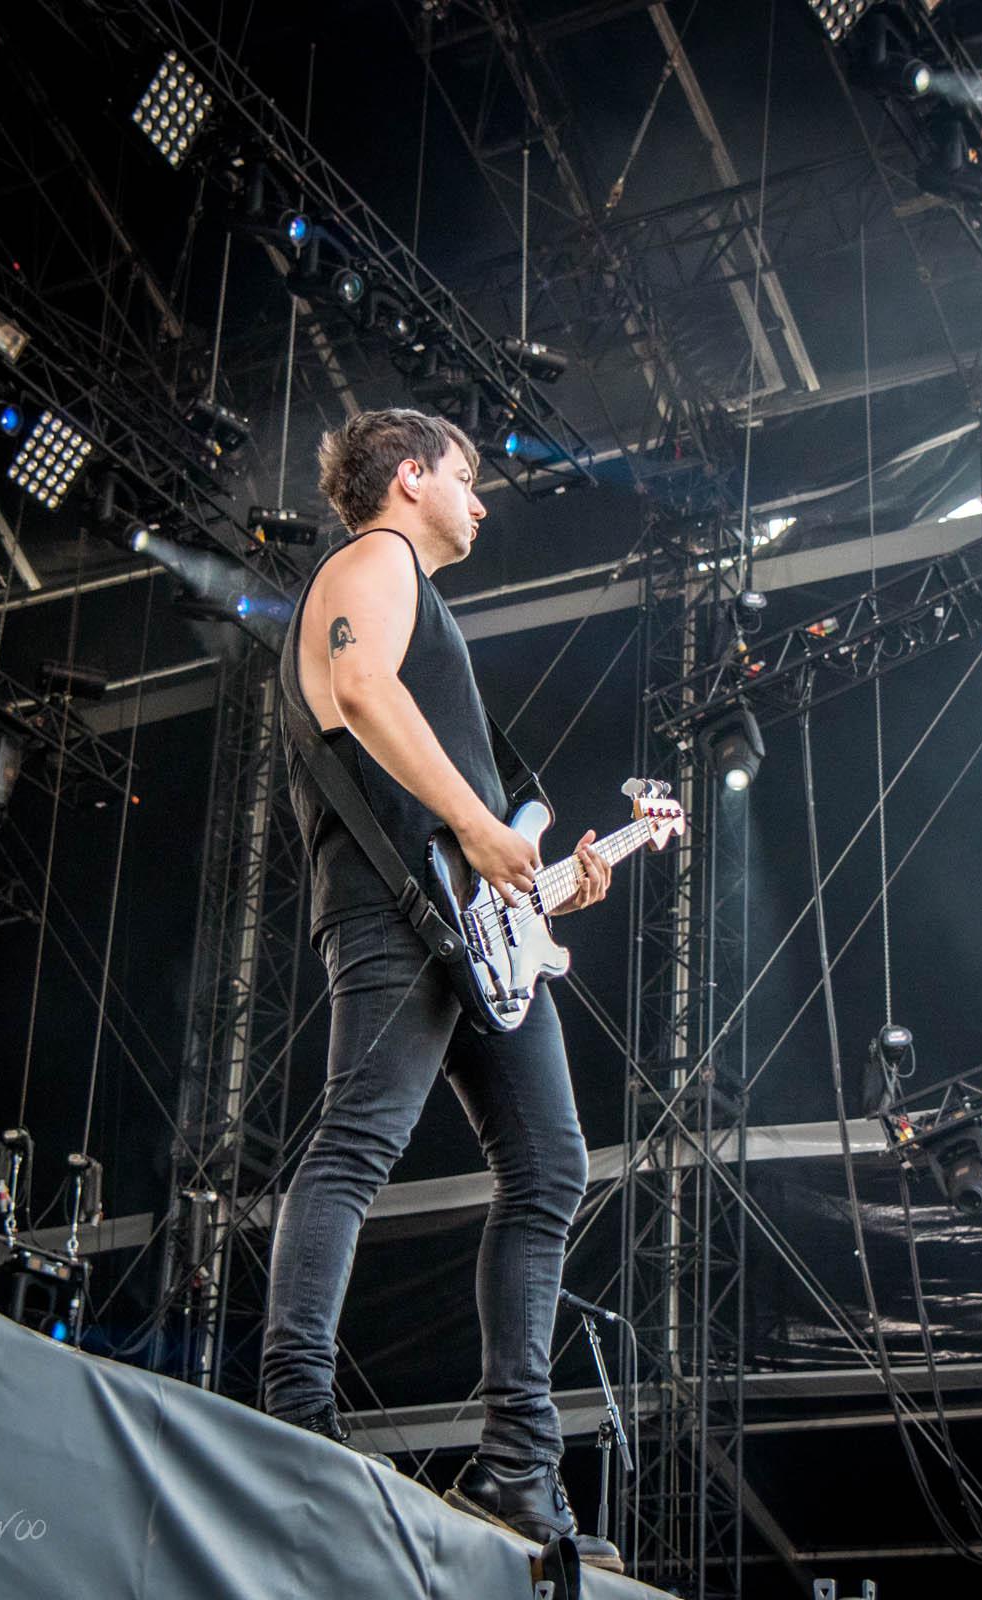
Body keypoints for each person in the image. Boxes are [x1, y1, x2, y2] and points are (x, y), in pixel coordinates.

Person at [263, 408, 621, 1571]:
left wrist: (534, 882)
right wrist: (476, 821)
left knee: (552, 1163)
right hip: (387, 907)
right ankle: (293, 1408)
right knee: (358, 1137)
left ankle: (518, 1461)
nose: (482, 501)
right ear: (409, 478)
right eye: (468, 480)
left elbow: (450, 809)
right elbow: (358, 688)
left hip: (464, 926)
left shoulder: (415, 581)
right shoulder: (372, 559)